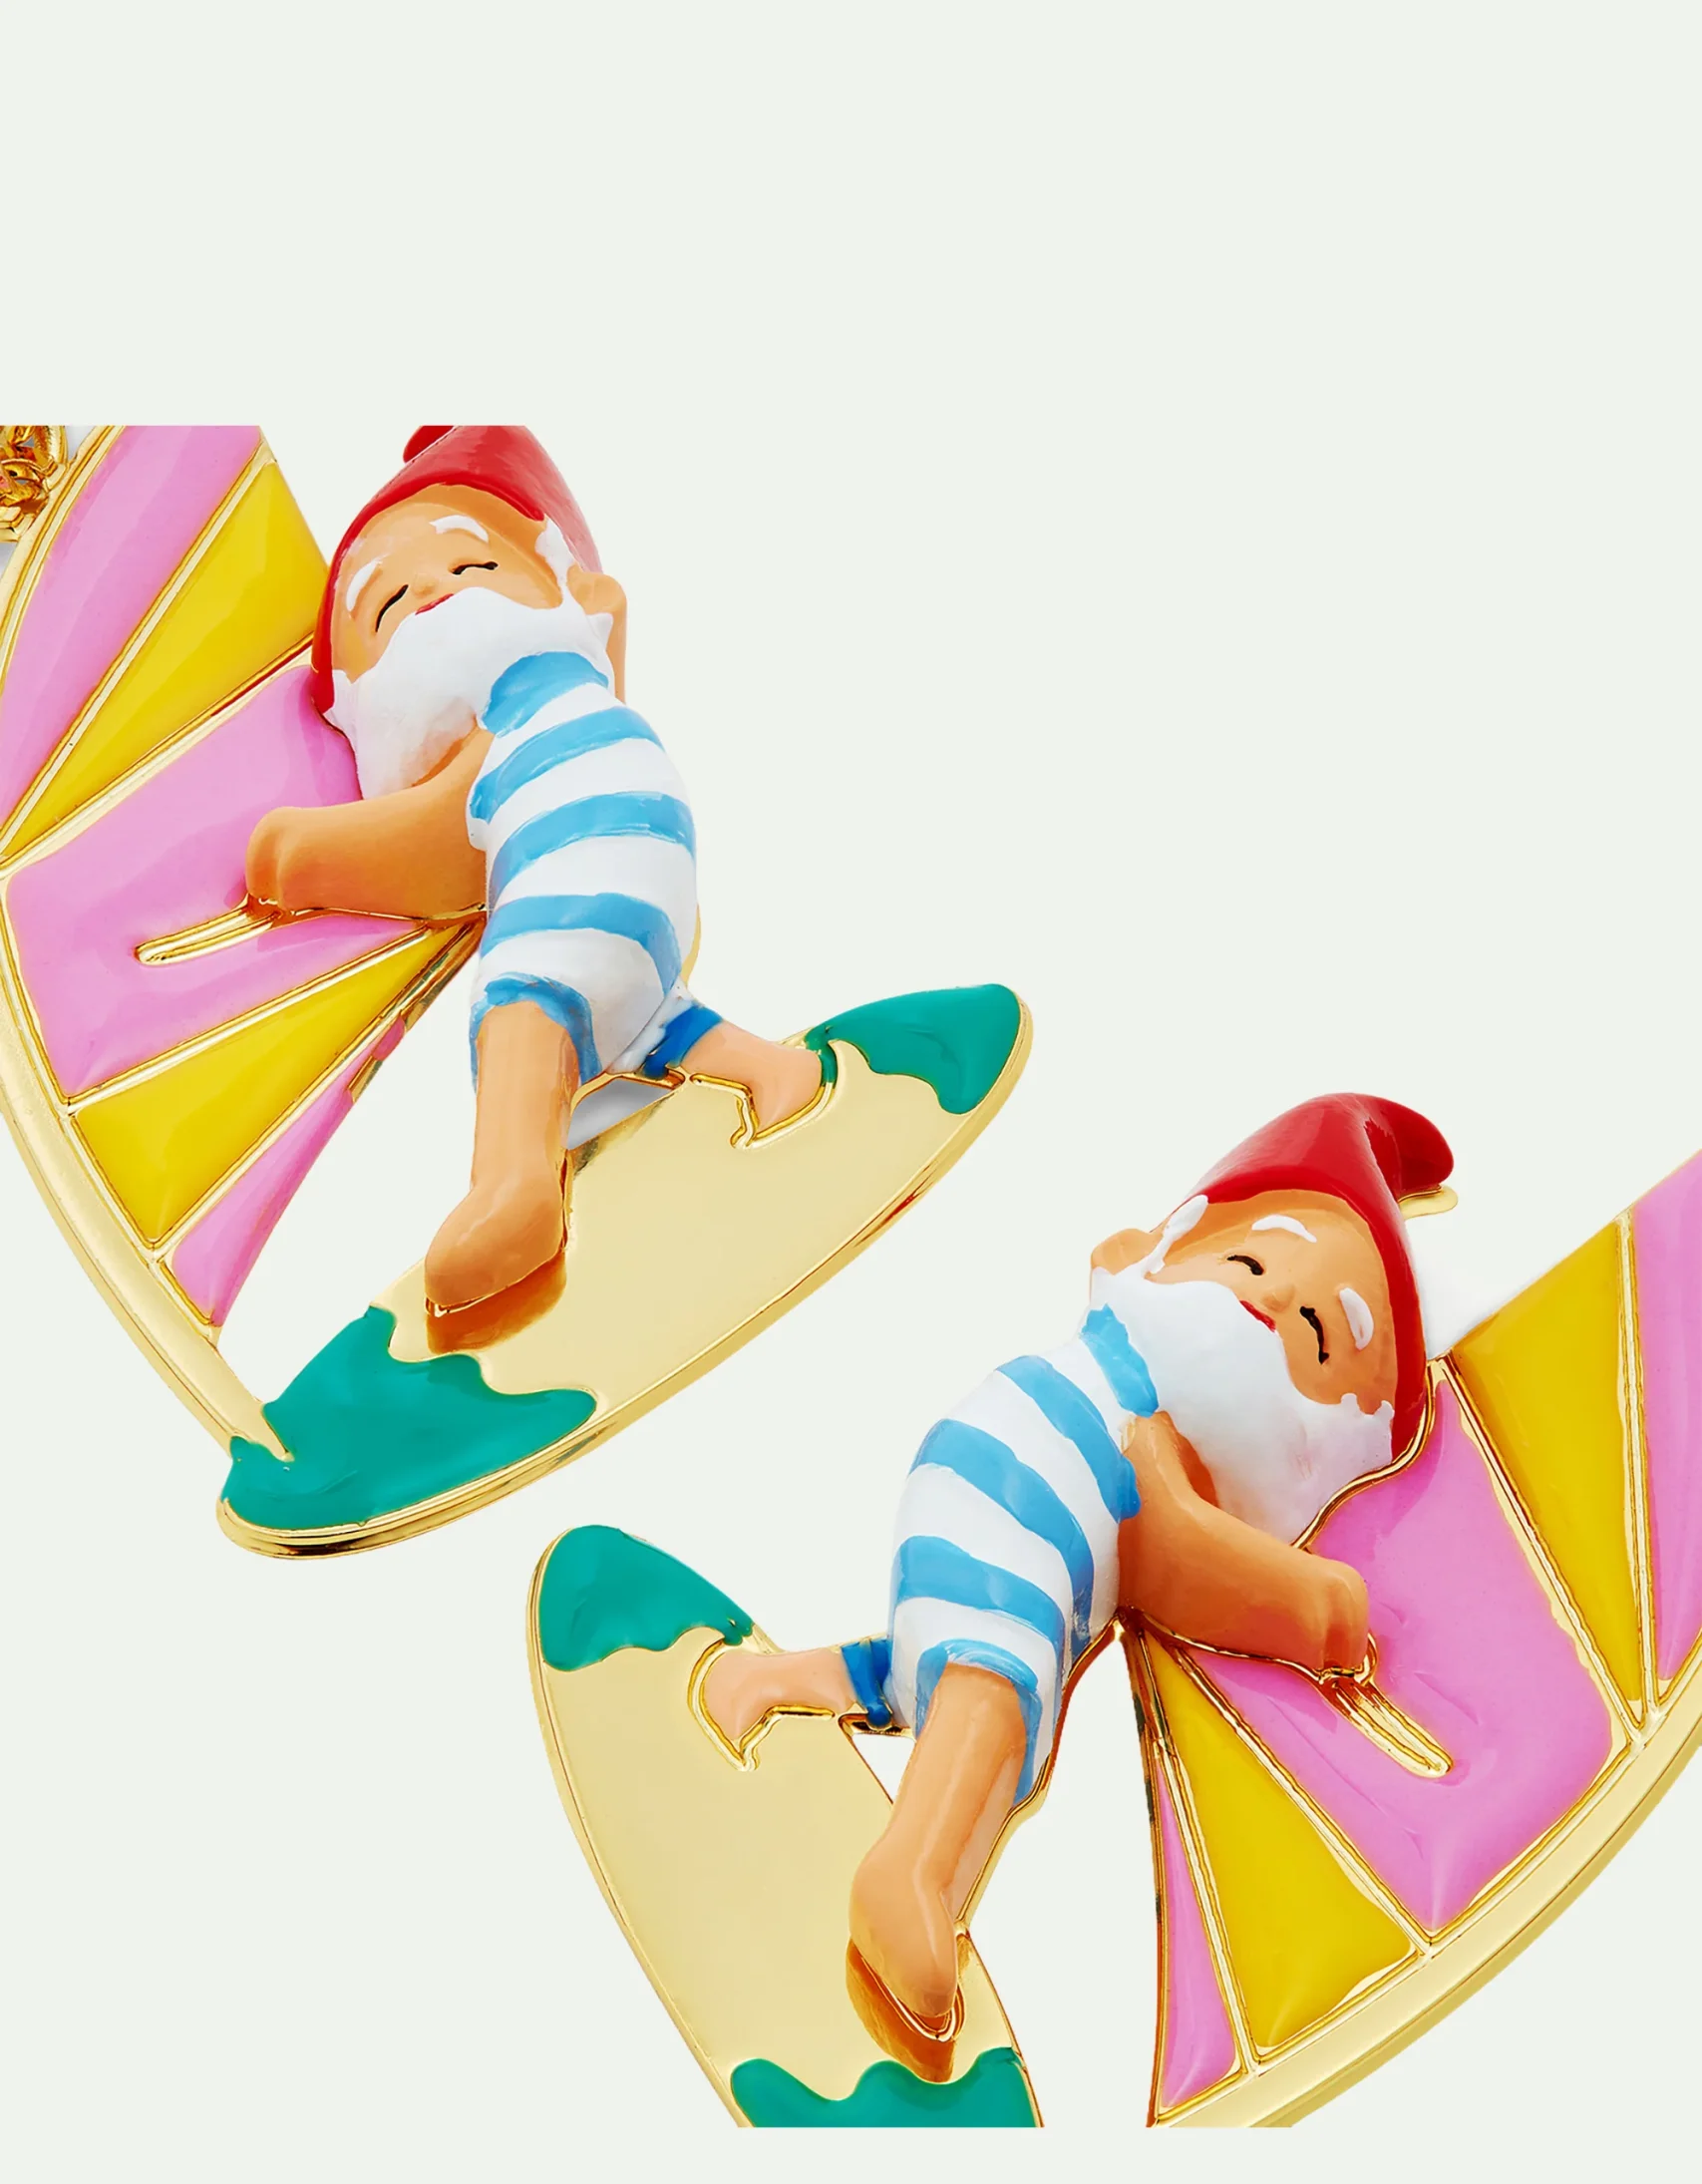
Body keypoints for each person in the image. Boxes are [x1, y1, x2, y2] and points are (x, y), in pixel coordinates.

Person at [702, 1092, 1452, 2046]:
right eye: (1250, 1263)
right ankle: (913, 1871)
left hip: (992, 1490)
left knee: (952, 1655)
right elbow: (1186, 1558)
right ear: (1153, 1255)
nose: (1270, 1304)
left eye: (1315, 1333)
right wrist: (1319, 1608)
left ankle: (774, 1682)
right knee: (995, 1684)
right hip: (1026, 1499)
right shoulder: (1148, 1441)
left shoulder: (1158, 1432)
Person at [245, 425, 820, 1315]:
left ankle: (516, 1186)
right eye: (388, 603)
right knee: (645, 1011)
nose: (432, 588)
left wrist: (293, 854)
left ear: (565, 593)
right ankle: (771, 1077)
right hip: (641, 873)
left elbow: (426, 847)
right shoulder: (575, 702)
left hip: (571, 877)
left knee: (523, 1008)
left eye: (472, 567)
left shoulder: (502, 735)